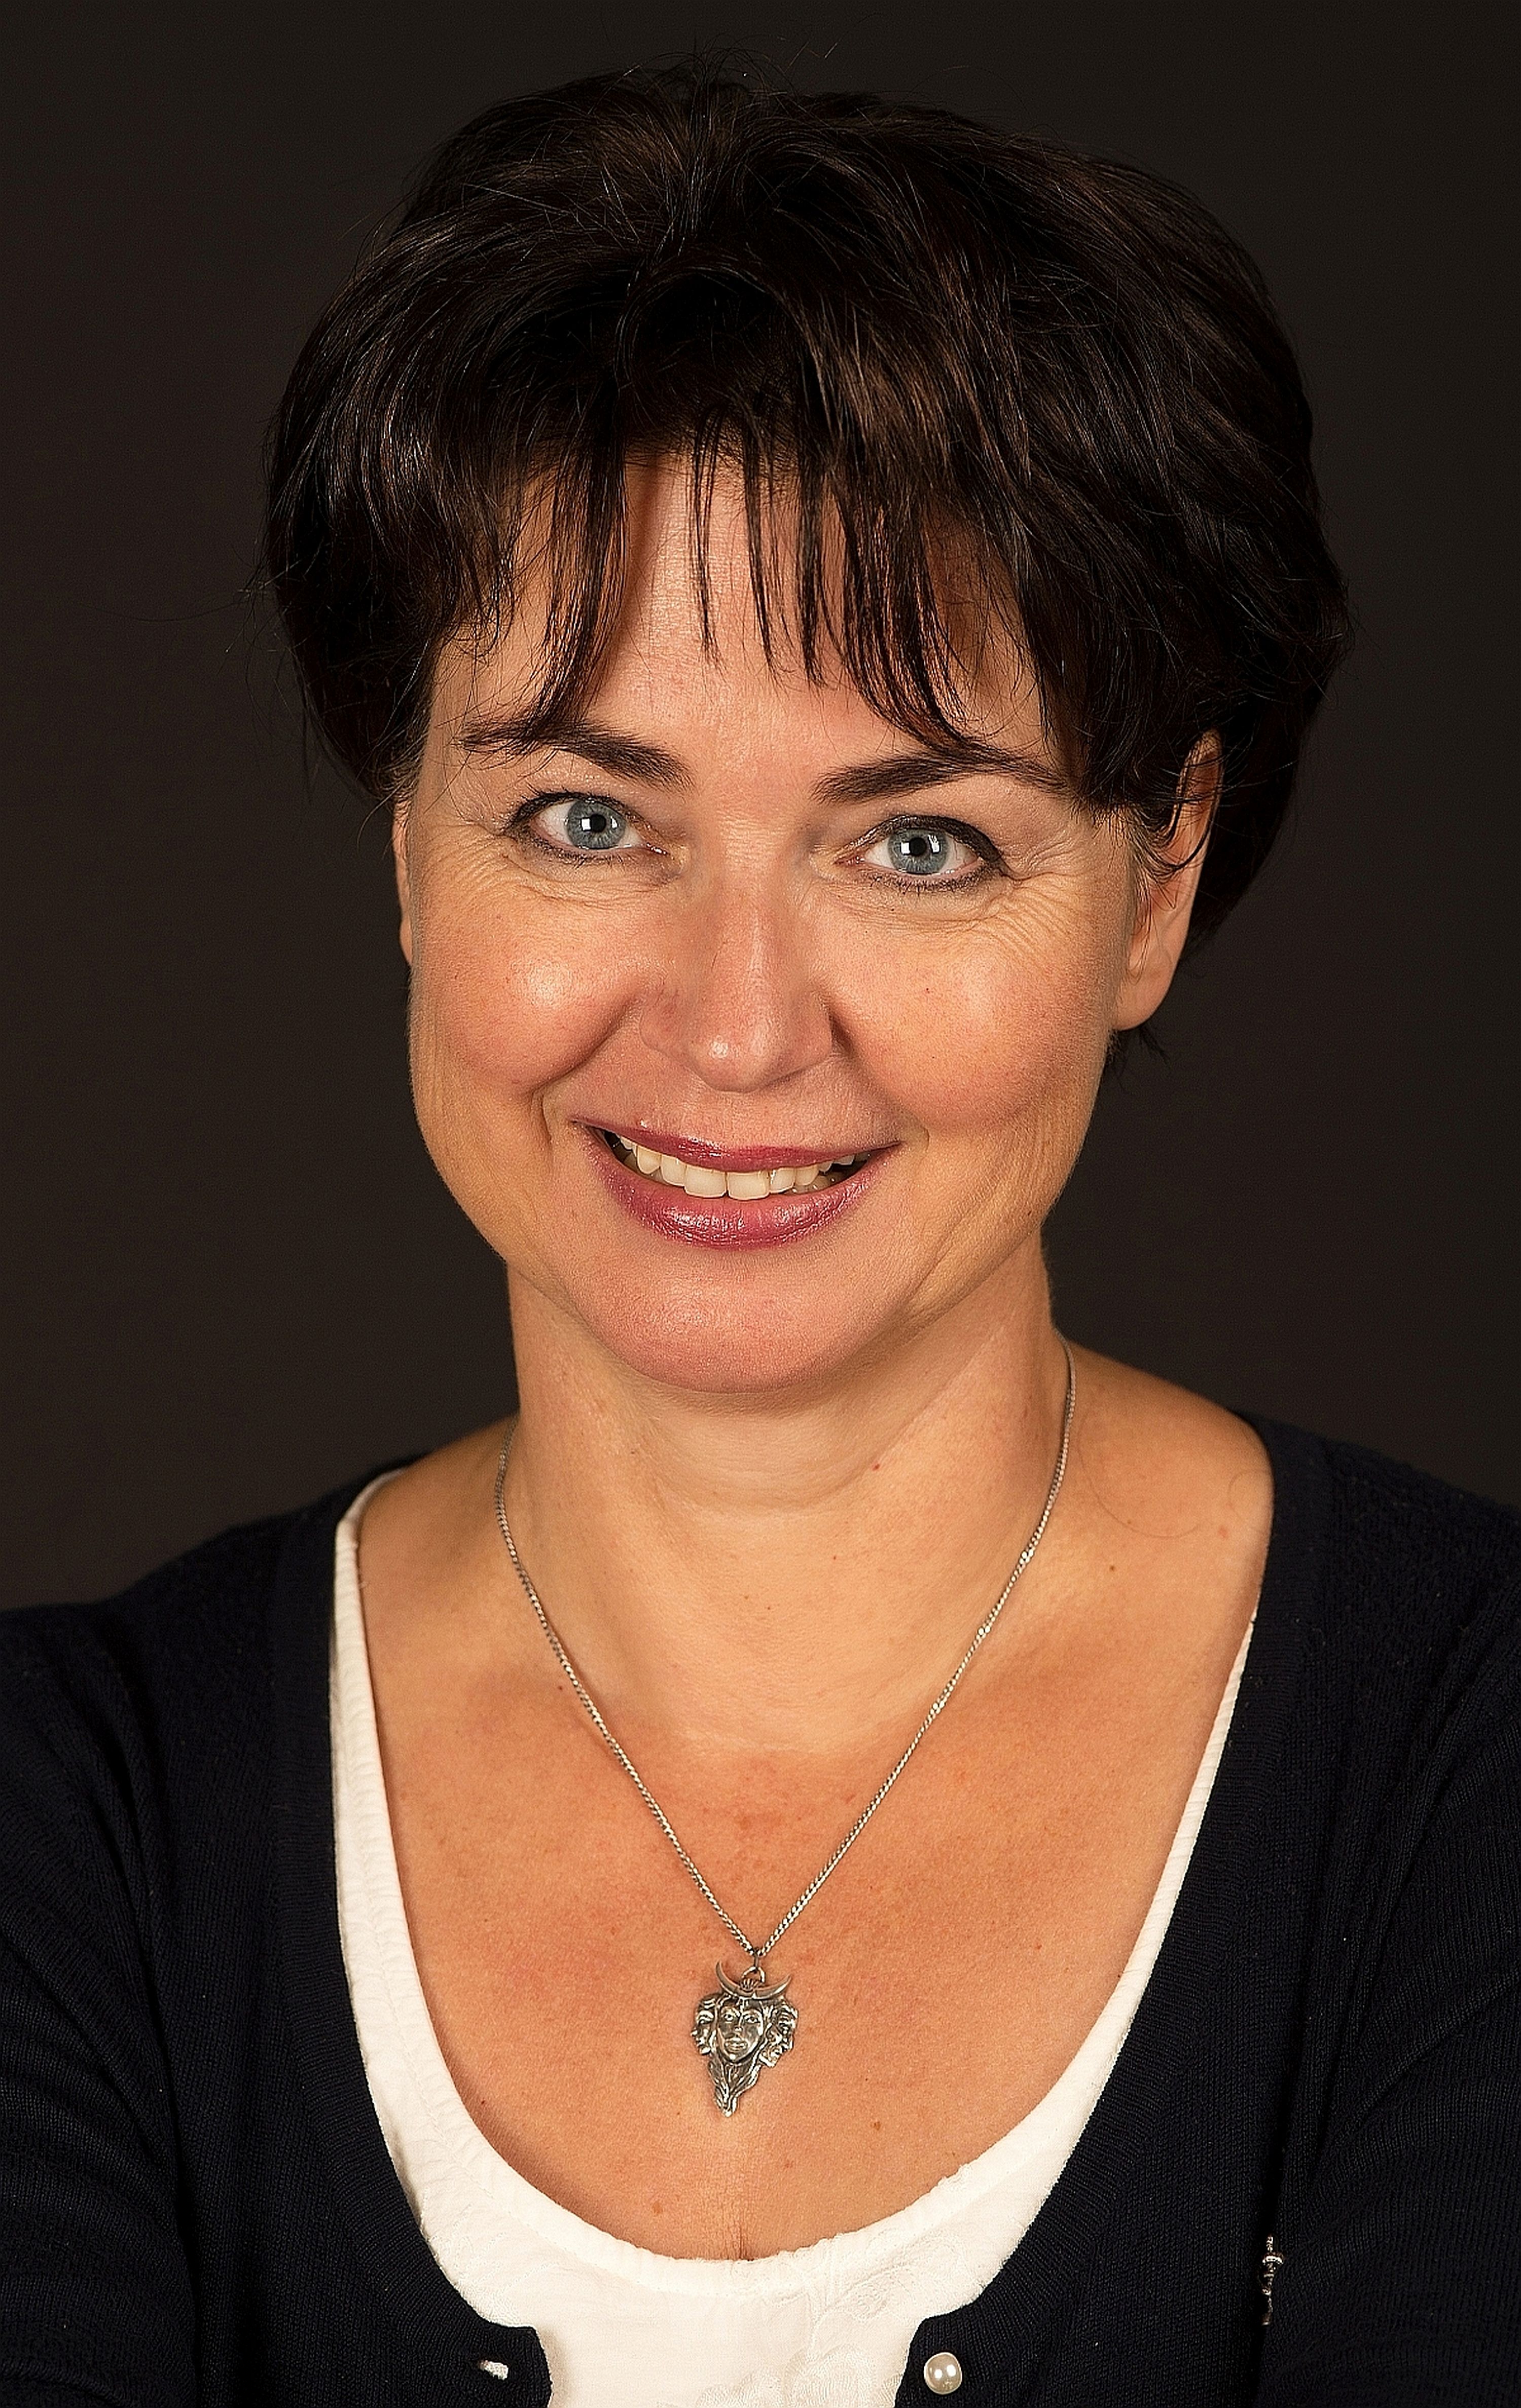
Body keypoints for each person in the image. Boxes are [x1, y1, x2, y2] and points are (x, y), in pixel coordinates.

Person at [3, 63, 1518, 2408]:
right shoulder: (65, 1823)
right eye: (588, 816)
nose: (733, 1027)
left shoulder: (1470, 1770)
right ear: (406, 832)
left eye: (918, 844)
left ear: (1160, 878)